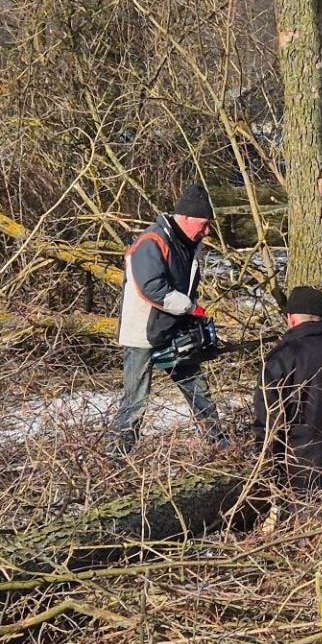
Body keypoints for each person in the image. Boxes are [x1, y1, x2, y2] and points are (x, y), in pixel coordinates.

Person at [112, 183, 226, 453]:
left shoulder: (187, 244)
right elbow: (152, 288)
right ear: (185, 218)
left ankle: (220, 445)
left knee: (197, 389)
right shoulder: (152, 242)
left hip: (174, 331)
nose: (207, 231)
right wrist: (191, 308)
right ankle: (119, 454)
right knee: (135, 400)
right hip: (143, 334)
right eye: (204, 224)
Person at [253, 284, 322, 492]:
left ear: (291, 319)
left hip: (299, 474)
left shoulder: (281, 359)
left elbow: (268, 425)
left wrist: (268, 473)